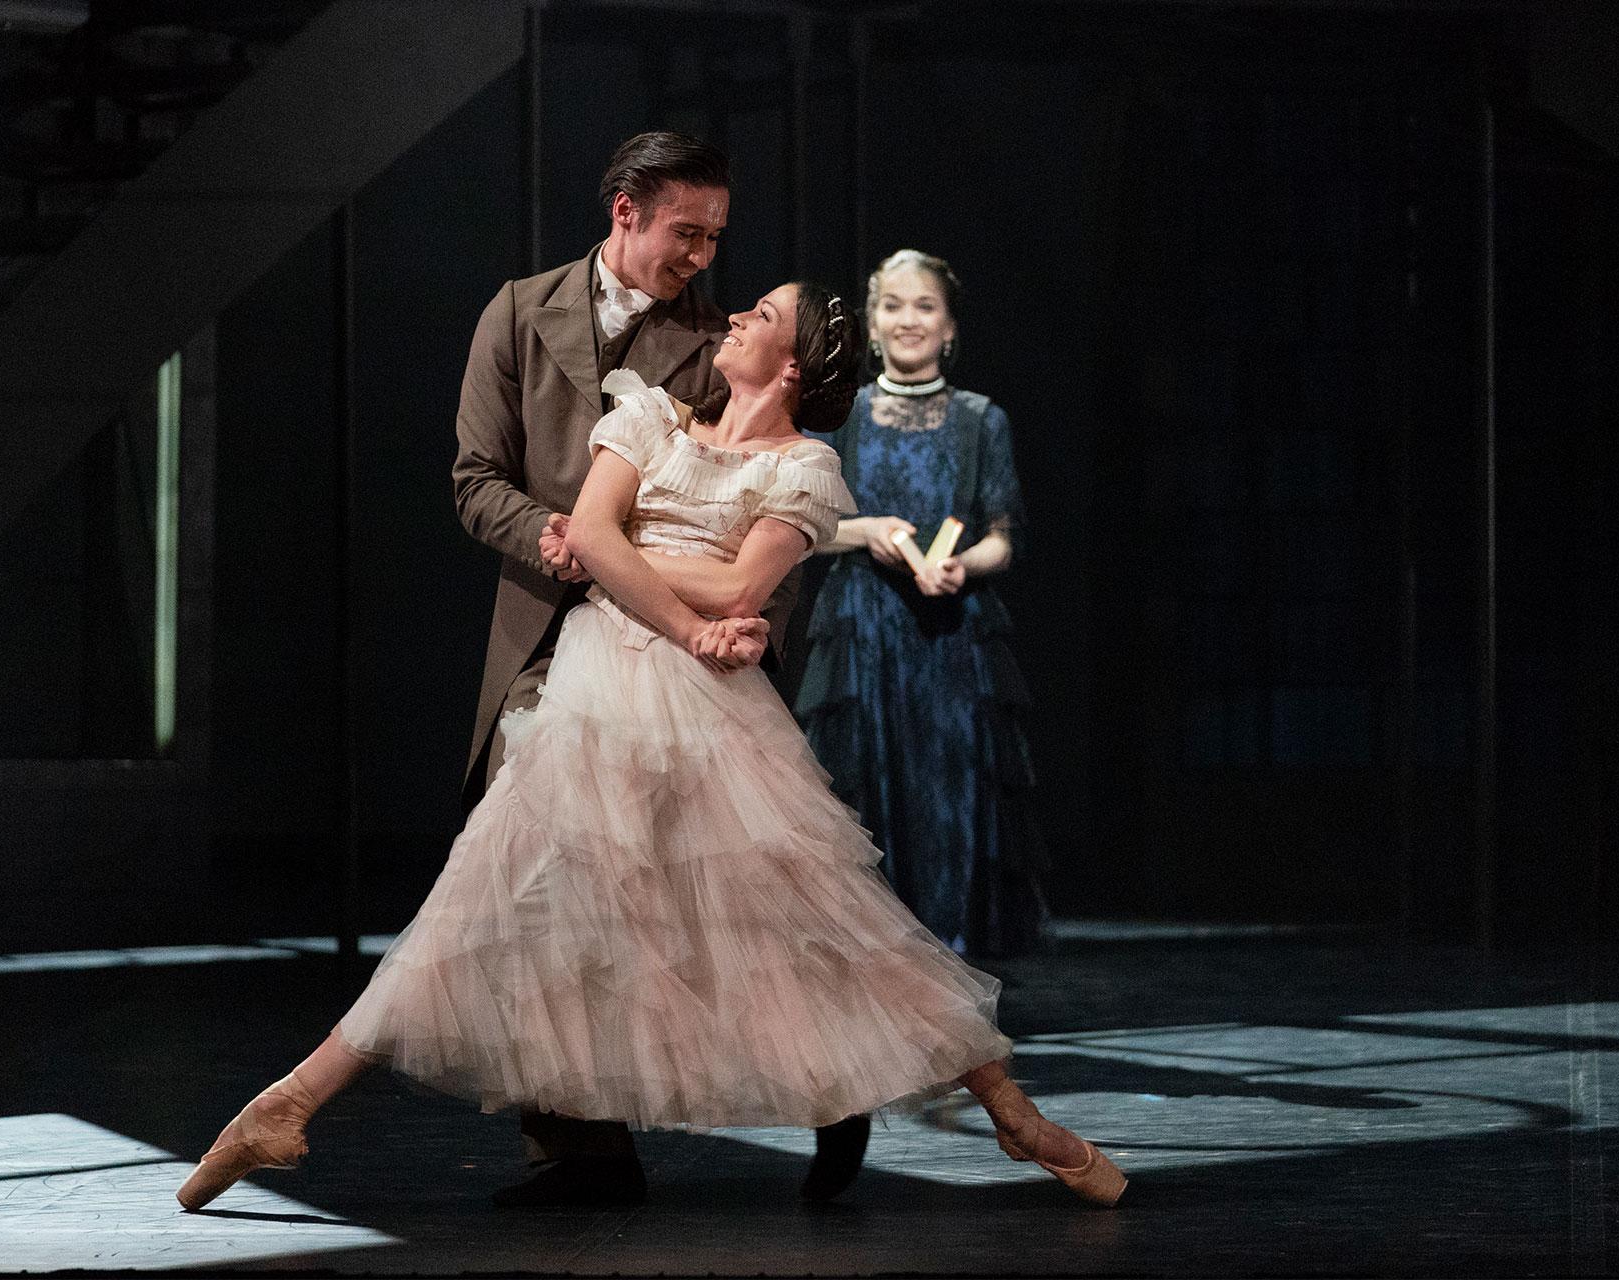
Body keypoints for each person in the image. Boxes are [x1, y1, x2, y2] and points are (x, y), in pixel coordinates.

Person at [175, 282, 1127, 1215]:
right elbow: (597, 533)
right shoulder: (649, 417)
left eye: (761, 315)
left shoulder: (804, 468)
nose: (739, 313)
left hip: (711, 712)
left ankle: (1014, 1115)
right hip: (598, 695)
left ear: (788, 365)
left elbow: (724, 588)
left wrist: (645, 575)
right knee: (479, 903)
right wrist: (679, 596)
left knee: (832, 914)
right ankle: (286, 1105)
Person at [448, 130, 853, 1206]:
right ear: (625, 211)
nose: (703, 259)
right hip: (547, 631)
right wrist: (562, 536)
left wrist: (743, 612)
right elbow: (474, 477)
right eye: (688, 232)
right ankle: (580, 1146)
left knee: (717, 889)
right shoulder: (518, 312)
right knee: (539, 872)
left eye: (717, 238)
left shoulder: (714, 340)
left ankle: (831, 1075)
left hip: (672, 640)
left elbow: (762, 497)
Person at [794, 250, 1050, 958]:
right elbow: (798, 529)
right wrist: (864, 531)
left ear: (949, 326)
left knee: (950, 800)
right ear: (871, 326)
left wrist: (964, 565)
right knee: (867, 799)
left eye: (925, 306)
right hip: (863, 635)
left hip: (954, 639)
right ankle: (876, 978)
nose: (909, 320)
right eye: (894, 306)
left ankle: (952, 967)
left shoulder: (979, 421)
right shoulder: (839, 417)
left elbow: (1006, 534)